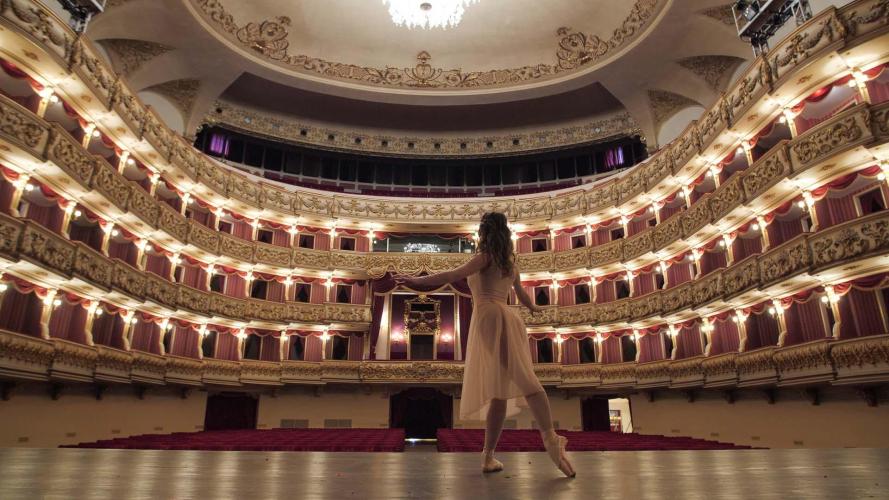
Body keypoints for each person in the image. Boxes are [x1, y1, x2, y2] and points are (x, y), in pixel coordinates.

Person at [396, 212, 575, 477]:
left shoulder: (486, 256)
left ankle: (550, 439)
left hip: (491, 317)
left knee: (525, 381)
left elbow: (451, 275)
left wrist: (417, 281)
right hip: (503, 316)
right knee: (499, 392)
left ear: (485, 233)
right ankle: (488, 456)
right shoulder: (510, 263)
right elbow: (523, 295)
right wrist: (534, 308)